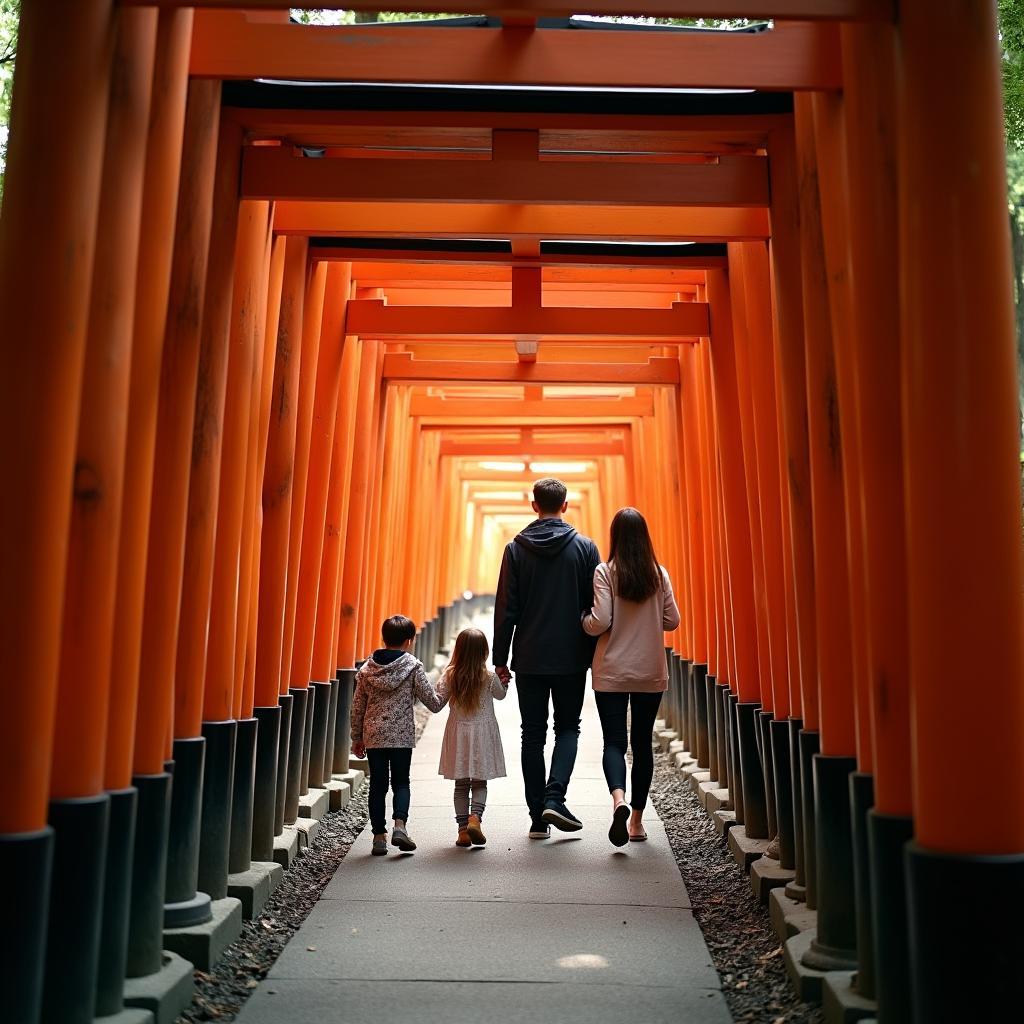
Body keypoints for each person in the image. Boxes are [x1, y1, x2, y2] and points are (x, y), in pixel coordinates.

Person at [493, 477, 601, 839]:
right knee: (568, 728)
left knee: (532, 735)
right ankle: (555, 797)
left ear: (534, 505)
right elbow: (597, 605)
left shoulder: (515, 549)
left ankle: (538, 818)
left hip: (530, 657)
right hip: (572, 656)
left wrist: (500, 658)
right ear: (565, 506)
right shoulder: (586, 548)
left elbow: (506, 609)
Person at [582, 508, 681, 847]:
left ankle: (618, 801)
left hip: (611, 670)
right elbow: (672, 621)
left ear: (615, 537)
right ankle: (637, 821)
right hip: (649, 671)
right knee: (642, 744)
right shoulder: (659, 574)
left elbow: (600, 621)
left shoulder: (605, 572)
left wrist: (584, 621)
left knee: (614, 742)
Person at [351, 614, 447, 856]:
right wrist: (448, 685)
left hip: (374, 736)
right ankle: (400, 826)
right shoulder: (413, 667)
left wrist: (356, 737)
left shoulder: (366, 670)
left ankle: (378, 838)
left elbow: (357, 707)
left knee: (378, 786)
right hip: (401, 736)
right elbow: (433, 703)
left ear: (383, 638)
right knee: (401, 782)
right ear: (409, 640)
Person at [436, 628, 509, 848]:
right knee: (479, 781)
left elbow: (438, 700)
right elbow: (501, 695)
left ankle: (462, 832)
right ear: (483, 652)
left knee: (461, 785)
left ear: (458, 650)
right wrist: (505, 682)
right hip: (482, 735)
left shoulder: (450, 674)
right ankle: (475, 819)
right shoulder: (488, 677)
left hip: (459, 734)